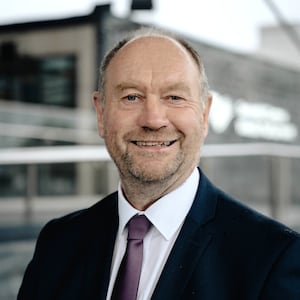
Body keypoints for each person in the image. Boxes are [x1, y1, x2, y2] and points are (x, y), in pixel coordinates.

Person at [18, 27, 300, 300]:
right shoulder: (59, 243)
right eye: (131, 97)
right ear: (101, 113)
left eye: (174, 97)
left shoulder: (271, 258)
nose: (153, 120)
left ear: (204, 115)